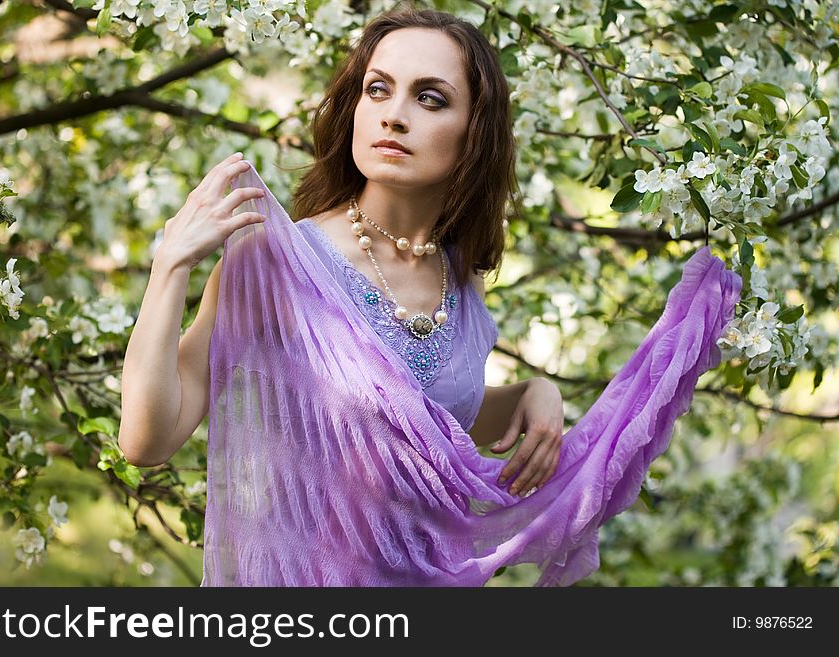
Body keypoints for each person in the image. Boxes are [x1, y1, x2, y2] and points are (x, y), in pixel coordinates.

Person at [118, 8, 741, 586]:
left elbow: (434, 428)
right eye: (378, 89)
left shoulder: (461, 282)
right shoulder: (281, 264)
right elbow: (149, 441)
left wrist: (533, 392)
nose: (394, 115)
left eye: (430, 98)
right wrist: (169, 268)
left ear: (475, 133)